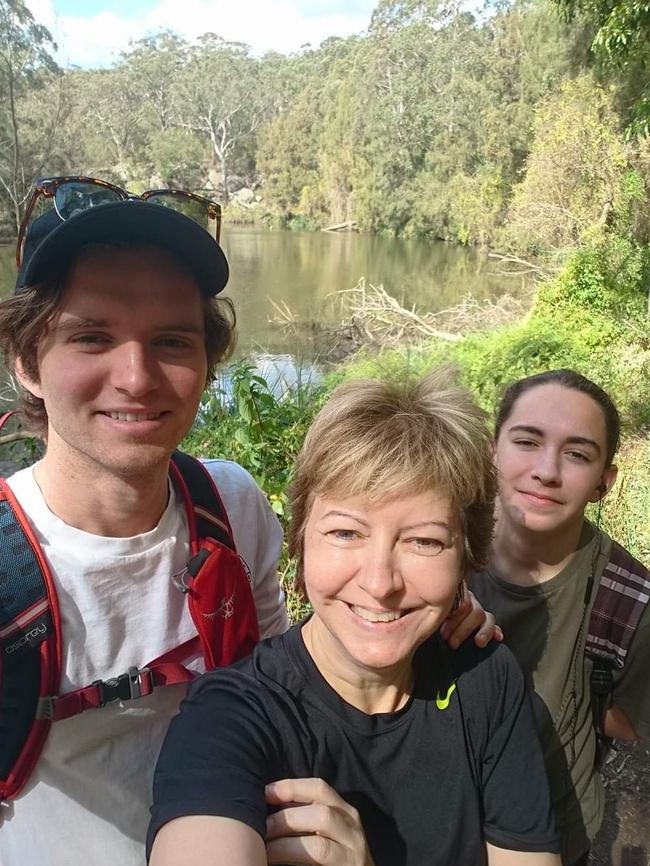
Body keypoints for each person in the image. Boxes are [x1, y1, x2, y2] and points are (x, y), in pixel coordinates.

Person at [148, 372, 561, 866]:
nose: (380, 581)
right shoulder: (231, 717)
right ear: (300, 543)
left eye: (424, 541)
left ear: (464, 560)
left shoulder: (484, 678)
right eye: (345, 533)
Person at [0, 176, 290, 866]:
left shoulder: (230, 507)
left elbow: (279, 681)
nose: (136, 376)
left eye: (171, 341)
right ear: (27, 364)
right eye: (92, 337)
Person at [468, 369, 650, 866]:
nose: (547, 470)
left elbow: (625, 722)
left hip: (555, 833)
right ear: (492, 452)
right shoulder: (435, 546)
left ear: (604, 483)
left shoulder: (630, 601)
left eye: (577, 454)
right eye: (527, 441)